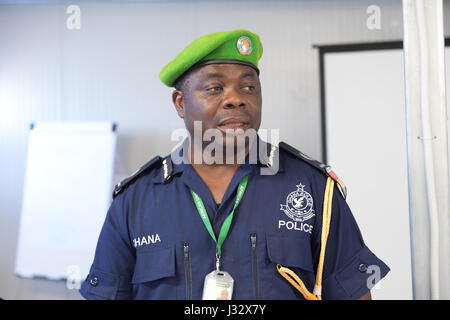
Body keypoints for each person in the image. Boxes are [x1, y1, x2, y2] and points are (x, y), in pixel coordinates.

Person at [79, 29, 389, 300]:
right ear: (179, 103)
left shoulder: (314, 189)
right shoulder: (135, 201)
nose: (236, 99)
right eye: (214, 88)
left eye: (248, 87)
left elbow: (354, 292)